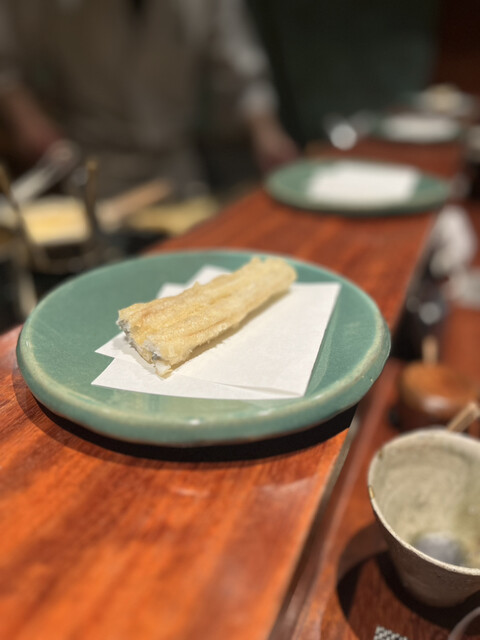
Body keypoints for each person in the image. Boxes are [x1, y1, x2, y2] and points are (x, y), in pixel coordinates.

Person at [0, 0, 297, 198]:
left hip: (177, 167)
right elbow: (5, 62)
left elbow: (239, 66)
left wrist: (266, 132)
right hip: (94, 167)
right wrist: (27, 120)